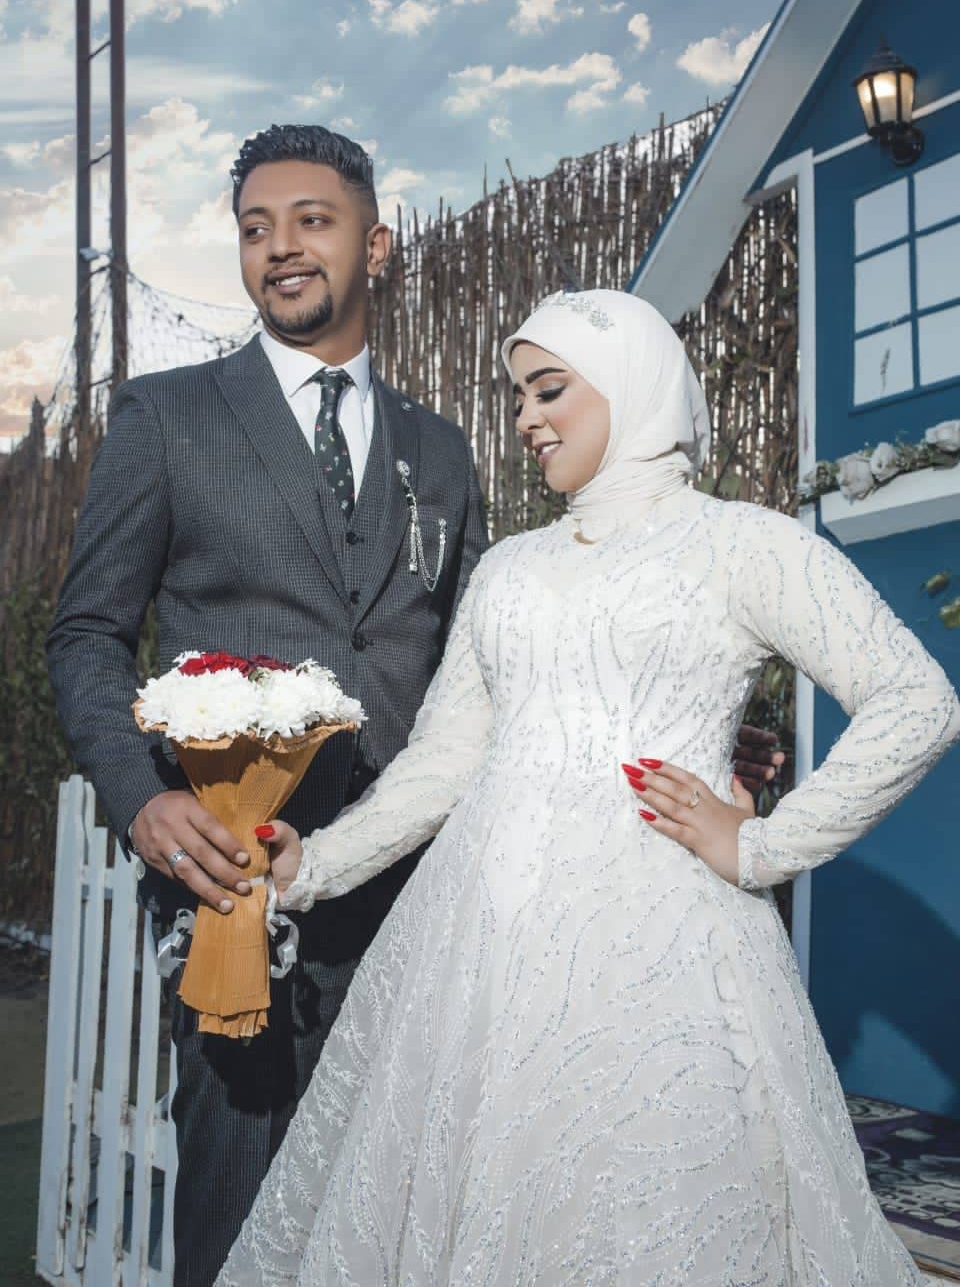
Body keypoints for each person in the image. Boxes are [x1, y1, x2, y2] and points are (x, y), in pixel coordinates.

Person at [46, 130, 780, 1287]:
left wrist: (681, 728)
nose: (282, 248)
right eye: (256, 228)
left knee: (397, 1209)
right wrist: (140, 799)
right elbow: (86, 635)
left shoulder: (441, 451)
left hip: (419, 889)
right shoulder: (167, 417)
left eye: (313, 220)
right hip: (237, 882)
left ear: (376, 244)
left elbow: (494, 664)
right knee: (241, 1200)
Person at [217, 289, 958, 1286]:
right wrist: (311, 865)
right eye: (518, 396)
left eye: (550, 389)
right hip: (476, 944)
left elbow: (917, 700)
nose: (526, 418)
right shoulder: (507, 571)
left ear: (629, 383)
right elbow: (442, 762)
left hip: (661, 952)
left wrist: (763, 847)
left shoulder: (747, 544)